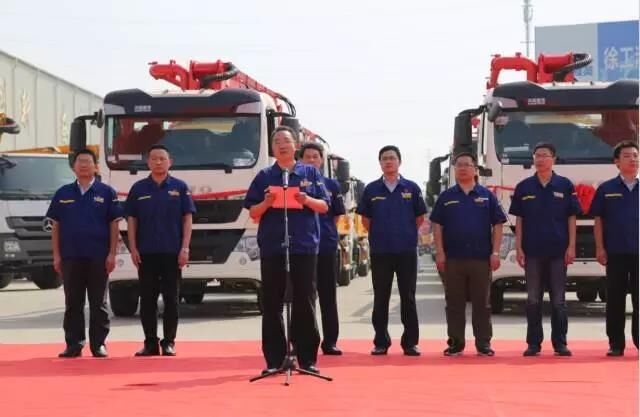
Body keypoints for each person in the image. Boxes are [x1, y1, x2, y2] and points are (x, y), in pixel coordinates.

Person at [244, 126, 329, 375]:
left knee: (305, 301)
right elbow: (252, 211)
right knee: (272, 303)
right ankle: (274, 359)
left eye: (286, 141)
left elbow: (324, 206)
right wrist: (266, 202)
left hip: (303, 245)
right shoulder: (264, 176)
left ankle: (307, 358)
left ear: (295, 146)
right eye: (277, 141)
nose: (282, 145)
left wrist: (306, 200)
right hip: (273, 245)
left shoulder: (310, 172)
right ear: (272, 148)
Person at [46, 148, 123, 358]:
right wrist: (56, 255)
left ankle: (99, 344)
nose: (83, 165)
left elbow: (114, 225)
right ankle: (74, 344)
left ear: (96, 166)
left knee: (98, 302)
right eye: (79, 161)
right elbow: (55, 226)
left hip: (98, 256)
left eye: (88, 161)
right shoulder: (63, 193)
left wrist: (112, 254)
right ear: (73, 167)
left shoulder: (106, 192)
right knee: (73, 302)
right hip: (71, 256)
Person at [430, 152, 506, 356]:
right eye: (459, 165)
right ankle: (456, 343)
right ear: (455, 170)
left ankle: (483, 343)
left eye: (467, 165)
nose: (462, 168)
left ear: (475, 169)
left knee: (482, 304)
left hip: (481, 258)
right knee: (454, 304)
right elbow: (437, 225)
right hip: (453, 259)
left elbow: (498, 224)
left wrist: (495, 252)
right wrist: (440, 252)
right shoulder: (447, 197)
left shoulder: (486, 195)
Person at [509, 142, 581, 357]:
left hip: (558, 251)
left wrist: (571, 246)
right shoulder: (524, 187)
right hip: (532, 251)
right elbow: (519, 220)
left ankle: (560, 343)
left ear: (553, 159)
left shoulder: (564, 185)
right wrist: (518, 247)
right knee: (533, 299)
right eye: (537, 155)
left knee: (559, 300)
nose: (540, 159)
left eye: (544, 155)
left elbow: (572, 218)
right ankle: (534, 343)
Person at [356, 145, 427, 356]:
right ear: (380, 163)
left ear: (399, 162)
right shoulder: (371, 189)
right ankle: (381, 342)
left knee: (408, 297)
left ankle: (410, 343)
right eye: (384, 158)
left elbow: (419, 218)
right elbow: (366, 220)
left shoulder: (411, 188)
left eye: (392, 158)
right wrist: (381, 234)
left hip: (406, 251)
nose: (388, 162)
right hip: (381, 251)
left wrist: (404, 233)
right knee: (381, 297)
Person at [125, 144, 195, 357]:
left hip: (172, 252)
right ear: (148, 162)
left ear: (170, 162)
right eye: (154, 158)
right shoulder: (138, 189)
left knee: (171, 298)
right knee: (147, 299)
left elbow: (187, 219)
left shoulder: (180, 187)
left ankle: (169, 342)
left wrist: (185, 248)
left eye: (162, 158)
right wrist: (133, 248)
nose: (158, 162)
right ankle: (150, 343)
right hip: (146, 252)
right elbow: (131, 220)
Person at [590, 140, 639, 356]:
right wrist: (600, 248)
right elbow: (598, 221)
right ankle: (616, 343)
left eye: (635, 155)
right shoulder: (606, 188)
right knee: (615, 299)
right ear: (617, 162)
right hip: (616, 251)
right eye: (627, 156)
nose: (633, 159)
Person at [300, 142, 346, 355]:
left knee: (328, 295)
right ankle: (304, 342)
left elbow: (336, 215)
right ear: (300, 160)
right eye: (307, 156)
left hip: (326, 245)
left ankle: (330, 341)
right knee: (304, 296)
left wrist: (325, 232)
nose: (311, 160)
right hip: (302, 246)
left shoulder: (331, 185)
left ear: (321, 160)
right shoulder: (294, 183)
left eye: (315, 156)